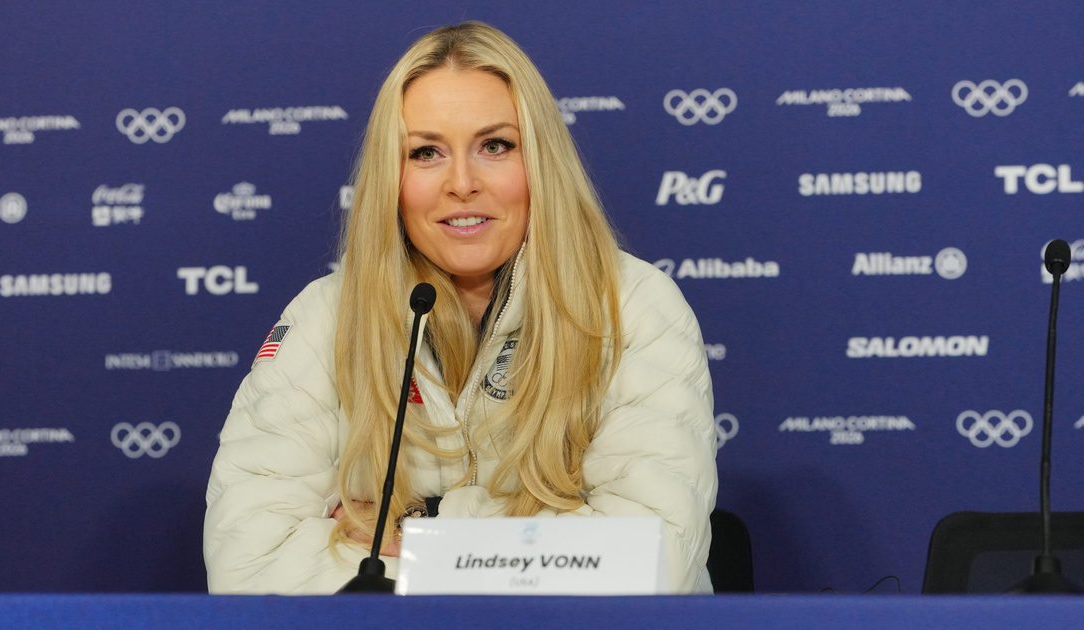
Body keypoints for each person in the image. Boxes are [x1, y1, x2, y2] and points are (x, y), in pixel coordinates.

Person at [203, 21, 718, 594]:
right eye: (426, 153)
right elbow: (247, 566)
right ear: (391, 178)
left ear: (540, 161)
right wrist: (533, 538)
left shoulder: (635, 307)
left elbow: (648, 565)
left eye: (495, 146)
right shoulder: (325, 316)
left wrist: (423, 525)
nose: (462, 183)